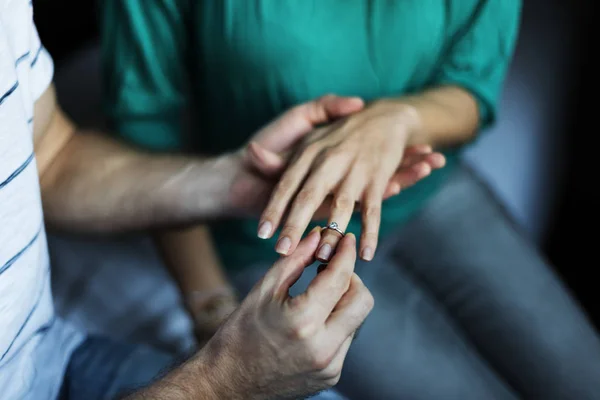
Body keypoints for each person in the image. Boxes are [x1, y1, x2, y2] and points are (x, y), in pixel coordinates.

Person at [102, 0, 600, 399]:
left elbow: (471, 88)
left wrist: (398, 119)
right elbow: (146, 123)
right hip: (275, 240)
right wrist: (210, 307)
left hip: (429, 190)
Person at [0, 1, 447, 398]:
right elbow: (144, 110)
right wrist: (224, 378)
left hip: (51, 354)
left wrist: (229, 183)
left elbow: (49, 156)